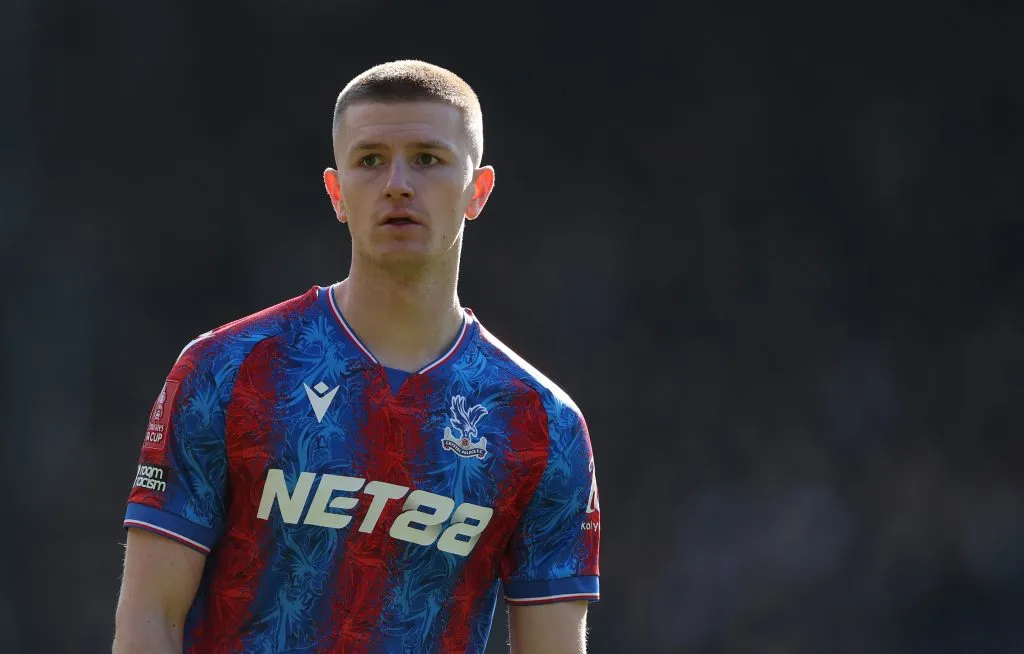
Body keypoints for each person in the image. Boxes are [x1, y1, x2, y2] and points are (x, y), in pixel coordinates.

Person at [112, 59, 601, 654]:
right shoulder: (227, 370)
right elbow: (148, 620)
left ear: (478, 190)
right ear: (337, 192)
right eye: (370, 160)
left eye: (428, 158)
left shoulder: (542, 422)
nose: (398, 182)